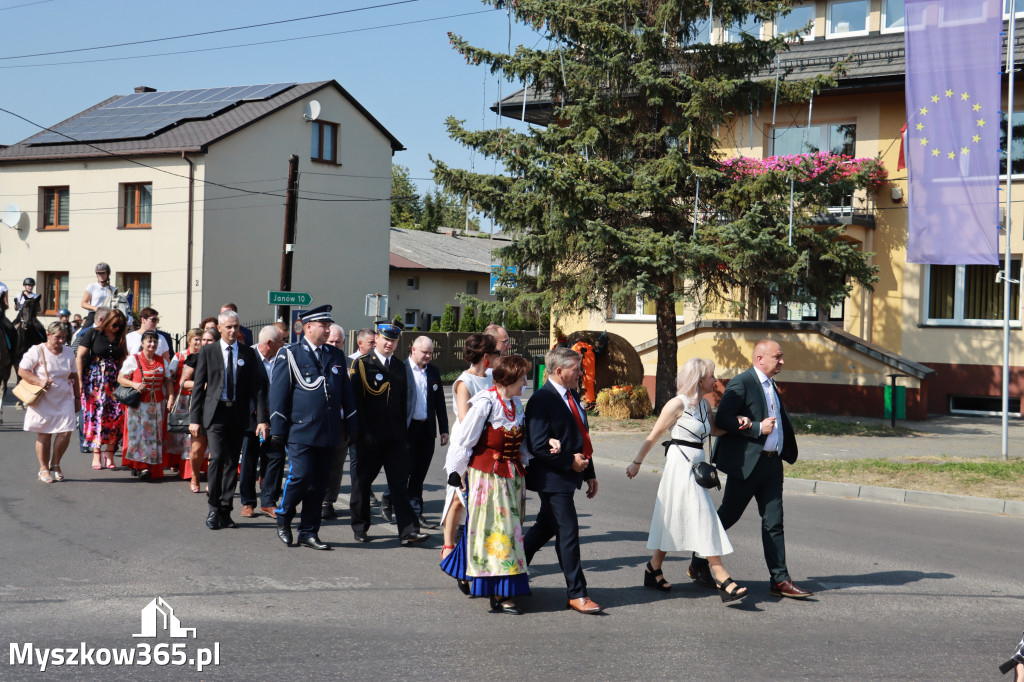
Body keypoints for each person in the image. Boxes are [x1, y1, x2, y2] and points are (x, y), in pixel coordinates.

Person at [689, 340, 813, 599]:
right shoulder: (741, 382)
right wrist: (757, 428)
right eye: (777, 357)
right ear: (760, 358)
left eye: (781, 357)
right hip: (746, 464)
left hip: (771, 464)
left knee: (774, 522)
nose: (782, 361)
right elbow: (722, 419)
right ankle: (699, 561)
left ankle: (779, 579)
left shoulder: (770, 384)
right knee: (728, 516)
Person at [626, 358, 752, 603]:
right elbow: (654, 435)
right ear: (699, 379)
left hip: (697, 467)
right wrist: (637, 462)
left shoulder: (703, 405)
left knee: (673, 517)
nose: (715, 380)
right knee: (705, 515)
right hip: (680, 466)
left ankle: (653, 569)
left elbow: (714, 431)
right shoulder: (677, 404)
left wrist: (739, 423)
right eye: (711, 376)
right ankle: (720, 574)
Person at [440, 355, 542, 615]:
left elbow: (523, 443)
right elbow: (464, 440)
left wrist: (532, 458)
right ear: (508, 380)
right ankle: (500, 593)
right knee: (499, 533)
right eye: (522, 379)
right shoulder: (486, 403)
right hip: (487, 478)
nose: (526, 384)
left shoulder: (516, 404)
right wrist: (456, 472)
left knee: (499, 531)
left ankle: (463, 568)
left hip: (512, 478)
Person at [269, 306, 357, 549]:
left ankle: (308, 531)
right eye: (323, 325)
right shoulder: (291, 354)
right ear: (308, 327)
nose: (328, 329)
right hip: (301, 430)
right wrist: (277, 428)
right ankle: (284, 516)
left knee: (320, 483)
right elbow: (278, 394)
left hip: (328, 430)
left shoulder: (335, 355)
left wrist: (352, 423)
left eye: (329, 325)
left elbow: (345, 393)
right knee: (301, 475)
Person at [523, 346, 601, 615]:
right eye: (576, 369)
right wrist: (570, 461)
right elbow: (537, 445)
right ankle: (577, 593)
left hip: (570, 475)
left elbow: (581, 435)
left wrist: (588, 472)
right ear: (559, 371)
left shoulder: (572, 395)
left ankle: (510, 573)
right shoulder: (541, 399)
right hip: (552, 479)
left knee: (543, 529)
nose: (581, 373)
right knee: (568, 532)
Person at [349, 321, 429, 546]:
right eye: (386, 339)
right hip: (369, 437)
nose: (390, 344)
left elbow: (404, 403)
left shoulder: (399, 367)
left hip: (395, 438)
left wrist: (404, 435)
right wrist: (362, 434)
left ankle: (408, 531)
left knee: (399, 484)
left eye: (394, 341)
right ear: (377, 339)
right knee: (362, 483)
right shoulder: (362, 364)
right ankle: (360, 525)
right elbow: (356, 403)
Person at [189, 310, 269, 531]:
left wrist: (262, 418)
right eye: (229, 327)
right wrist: (194, 418)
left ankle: (226, 509)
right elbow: (198, 387)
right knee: (216, 458)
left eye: (236, 326)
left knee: (233, 462)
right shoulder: (208, 351)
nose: (234, 330)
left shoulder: (247, 353)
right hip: (215, 414)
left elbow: (258, 388)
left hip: (238, 414)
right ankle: (213, 507)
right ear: (220, 329)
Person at [440, 333, 498, 569]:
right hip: (466, 445)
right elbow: (465, 420)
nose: (498, 358)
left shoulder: (493, 376)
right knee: (457, 496)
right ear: (486, 356)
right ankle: (448, 545)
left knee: (481, 500)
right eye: (496, 354)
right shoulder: (465, 382)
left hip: (487, 445)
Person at [380, 336, 449, 529]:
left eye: (430, 353)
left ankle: (416, 513)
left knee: (419, 473)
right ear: (413, 350)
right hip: (406, 430)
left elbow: (440, 404)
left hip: (426, 430)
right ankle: (388, 498)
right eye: (425, 352)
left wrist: (444, 429)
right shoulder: (401, 369)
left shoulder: (433, 371)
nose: (428, 356)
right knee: (404, 470)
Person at [18, 321, 80, 483]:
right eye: (57, 337)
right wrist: (38, 381)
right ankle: (43, 469)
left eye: (64, 337)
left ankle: (56, 463)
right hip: (43, 397)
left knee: (66, 432)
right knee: (44, 434)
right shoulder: (37, 350)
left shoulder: (68, 352)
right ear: (49, 335)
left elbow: (74, 376)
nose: (61, 341)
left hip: (64, 396)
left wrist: (78, 397)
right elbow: (22, 370)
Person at [239, 325, 284, 517]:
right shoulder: (248, 357)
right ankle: (248, 502)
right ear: (269, 343)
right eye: (280, 341)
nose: (283, 344)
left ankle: (268, 501)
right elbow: (242, 388)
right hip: (252, 419)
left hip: (276, 418)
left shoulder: (282, 358)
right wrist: (258, 415)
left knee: (275, 458)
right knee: (250, 460)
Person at [77, 309, 127, 470]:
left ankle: (110, 454)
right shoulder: (93, 333)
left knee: (116, 416)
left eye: (120, 326)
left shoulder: (120, 337)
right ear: (106, 322)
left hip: (115, 381)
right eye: (114, 325)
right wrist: (79, 381)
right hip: (95, 381)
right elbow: (80, 356)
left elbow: (124, 358)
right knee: (97, 416)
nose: (117, 328)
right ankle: (96, 453)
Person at [117, 330, 170, 479]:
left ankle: (152, 467)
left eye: (154, 342)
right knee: (139, 436)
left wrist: (171, 397)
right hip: (139, 405)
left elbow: (168, 380)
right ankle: (141, 466)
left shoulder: (161, 361)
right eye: (149, 341)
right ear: (142, 343)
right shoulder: (133, 359)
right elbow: (121, 378)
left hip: (157, 404)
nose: (152, 344)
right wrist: (134, 384)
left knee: (154, 436)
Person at [178, 328, 218, 493]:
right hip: (200, 408)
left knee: (216, 451)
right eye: (204, 340)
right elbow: (183, 383)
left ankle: (212, 480)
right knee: (196, 450)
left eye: (209, 340)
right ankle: (195, 476)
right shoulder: (195, 358)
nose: (205, 343)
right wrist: (203, 385)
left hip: (218, 409)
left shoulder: (222, 359)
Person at [322, 323, 352, 520]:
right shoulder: (319, 359)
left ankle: (328, 502)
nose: (334, 344)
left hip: (341, 424)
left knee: (336, 465)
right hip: (321, 422)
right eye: (331, 341)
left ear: (344, 342)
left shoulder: (350, 363)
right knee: (317, 464)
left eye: (338, 342)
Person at [164, 329, 201, 473]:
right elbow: (169, 376)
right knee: (178, 433)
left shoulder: (204, 355)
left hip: (196, 399)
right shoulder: (179, 356)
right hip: (182, 398)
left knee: (191, 434)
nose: (198, 342)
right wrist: (171, 396)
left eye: (200, 339)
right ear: (189, 340)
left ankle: (189, 464)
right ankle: (176, 462)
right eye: (195, 339)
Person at [81, 263, 116, 327]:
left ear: (108, 274)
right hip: (94, 315)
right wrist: (95, 308)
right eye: (99, 273)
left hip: (109, 316)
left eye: (103, 273)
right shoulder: (92, 286)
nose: (101, 275)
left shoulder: (114, 289)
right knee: (82, 334)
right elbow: (83, 303)